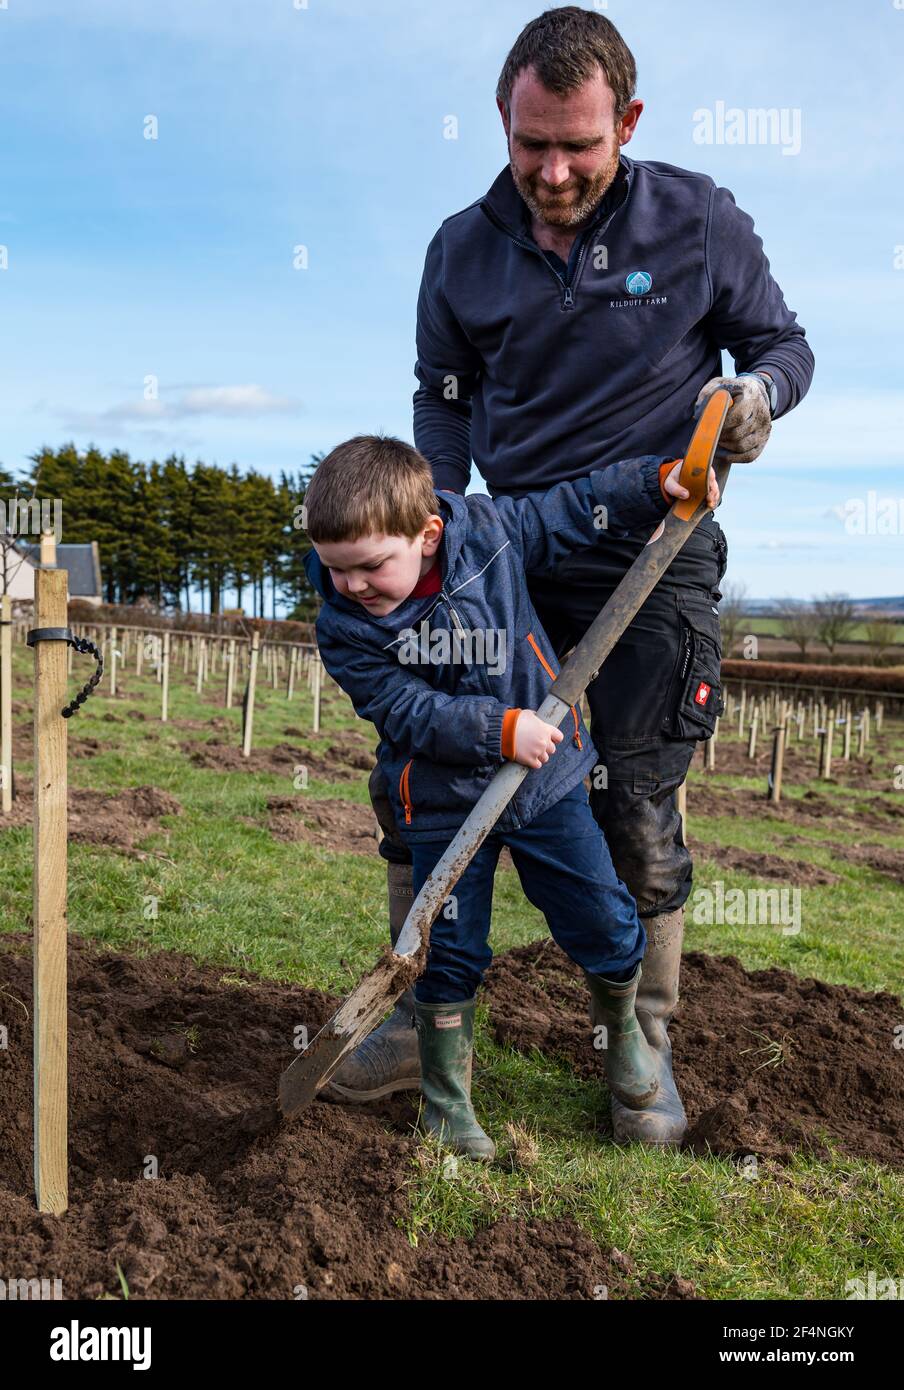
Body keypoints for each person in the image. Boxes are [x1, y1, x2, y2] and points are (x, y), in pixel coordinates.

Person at [332, 7, 815, 1145]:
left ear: (626, 124)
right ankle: (413, 1018)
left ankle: (637, 1042)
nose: (552, 171)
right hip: (502, 550)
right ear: (503, 122)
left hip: (657, 543)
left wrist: (754, 402)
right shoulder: (460, 248)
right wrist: (437, 527)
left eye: (578, 147)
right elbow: (441, 398)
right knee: (427, 763)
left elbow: (783, 348)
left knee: (634, 798)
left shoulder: (695, 218)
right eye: (529, 144)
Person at [302, 433, 719, 1160]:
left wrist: (657, 483)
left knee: (601, 916)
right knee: (447, 950)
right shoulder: (343, 629)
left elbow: (573, 508)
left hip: (546, 785)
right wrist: (497, 731)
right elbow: (404, 710)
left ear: (428, 533)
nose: (354, 587)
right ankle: (447, 1108)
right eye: (337, 570)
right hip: (439, 800)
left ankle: (626, 1035)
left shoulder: (490, 534)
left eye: (371, 567)